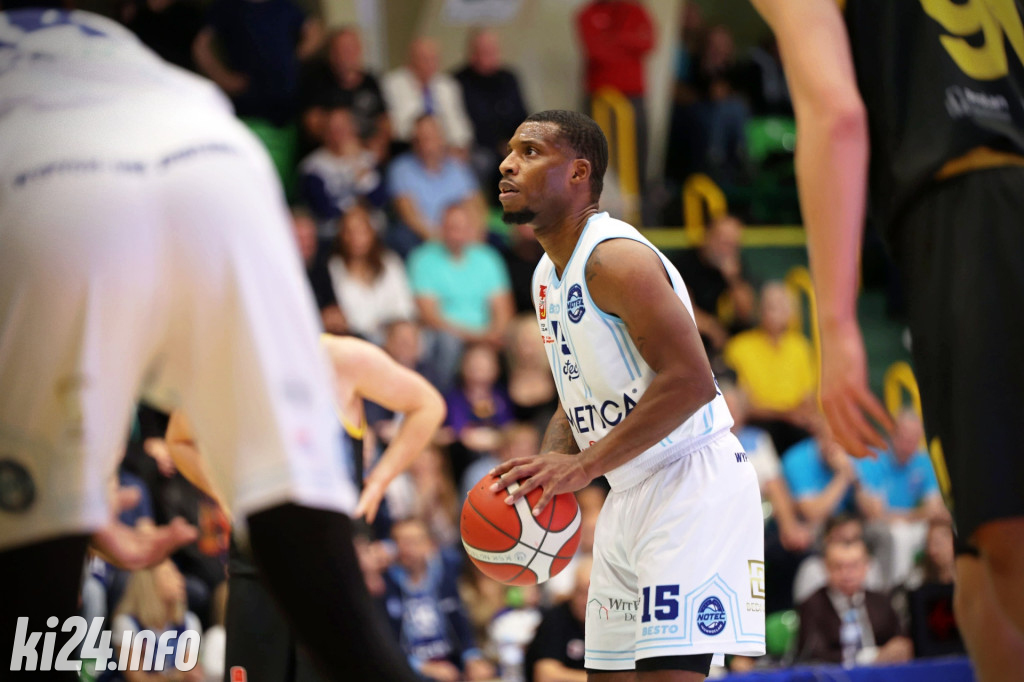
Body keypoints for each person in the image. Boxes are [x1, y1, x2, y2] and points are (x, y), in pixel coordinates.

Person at [0, 11, 421, 681]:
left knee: (30, 620)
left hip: (45, 177)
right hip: (214, 148)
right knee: (330, 603)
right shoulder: (115, 46)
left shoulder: (347, 356)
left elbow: (424, 404)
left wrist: (70, 496)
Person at [752, 2, 1024, 679]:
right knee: (976, 572)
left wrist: (836, 323)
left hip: (972, 208)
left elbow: (837, 114)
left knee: (1005, 538)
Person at [492, 110, 764, 680]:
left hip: (690, 481)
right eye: (510, 151)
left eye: (530, 152)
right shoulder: (545, 276)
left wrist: (582, 466)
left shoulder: (616, 258)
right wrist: (549, 472)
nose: (508, 164)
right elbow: (576, 393)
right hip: (625, 489)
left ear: (578, 173)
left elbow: (692, 382)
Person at [165, 333, 447, 681]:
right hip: (256, 562)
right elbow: (179, 439)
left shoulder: (342, 358)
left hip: (329, 568)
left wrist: (378, 481)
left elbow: (428, 405)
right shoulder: (226, 365)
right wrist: (225, 494)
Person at [408, 202, 515, 388]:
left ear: (472, 229)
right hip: (447, 335)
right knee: (447, 342)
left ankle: (508, 401)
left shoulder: (488, 258)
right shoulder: (423, 259)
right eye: (452, 227)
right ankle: (443, 395)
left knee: (522, 338)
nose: (457, 234)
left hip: (486, 335)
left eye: (463, 227)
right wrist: (478, 337)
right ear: (441, 228)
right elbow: (430, 317)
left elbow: (503, 310)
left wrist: (495, 334)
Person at [382, 518, 496, 682]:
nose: (407, 549)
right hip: (407, 670)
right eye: (401, 542)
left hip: (451, 664)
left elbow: (460, 623)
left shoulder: (444, 577)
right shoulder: (384, 585)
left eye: (414, 541)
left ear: (430, 544)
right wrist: (421, 667)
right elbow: (386, 643)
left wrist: (472, 658)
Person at [724, 281, 820, 454]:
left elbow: (808, 397)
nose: (775, 312)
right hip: (759, 423)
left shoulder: (801, 347)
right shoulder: (738, 347)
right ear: (759, 310)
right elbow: (743, 405)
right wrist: (785, 414)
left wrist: (799, 415)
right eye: (770, 306)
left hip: (795, 424)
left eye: (781, 306)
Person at [796, 539, 912, 666]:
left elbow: (900, 639)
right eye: (838, 566)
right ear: (826, 568)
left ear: (866, 566)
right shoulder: (813, 606)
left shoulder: (880, 601)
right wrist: (868, 659)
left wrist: (898, 649)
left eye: (854, 566)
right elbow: (813, 656)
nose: (846, 573)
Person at [386, 114, 485, 256]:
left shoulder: (457, 166)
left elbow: (475, 204)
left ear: (442, 138)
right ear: (414, 141)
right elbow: (410, 216)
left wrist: (475, 236)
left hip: (460, 234)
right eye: (422, 137)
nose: (427, 143)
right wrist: (445, 243)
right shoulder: (401, 168)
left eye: (432, 136)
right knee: (402, 236)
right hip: (424, 237)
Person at [453, 28, 529, 202]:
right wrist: (499, 145)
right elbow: (464, 125)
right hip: (479, 147)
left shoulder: (509, 77)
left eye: (493, 50)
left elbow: (523, 116)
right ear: (472, 53)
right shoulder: (458, 81)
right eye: (484, 51)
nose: (490, 56)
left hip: (512, 144)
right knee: (483, 162)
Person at [324, 206, 415, 344]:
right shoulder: (333, 268)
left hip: (393, 334)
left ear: (372, 233)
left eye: (361, 231)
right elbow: (340, 316)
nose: (355, 238)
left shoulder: (390, 262)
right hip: (355, 338)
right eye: (349, 232)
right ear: (341, 235)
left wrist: (391, 328)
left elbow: (405, 307)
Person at [382, 37, 474, 152]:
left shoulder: (448, 86)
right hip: (409, 148)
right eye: (424, 59)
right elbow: (398, 128)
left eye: (433, 59)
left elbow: (458, 125)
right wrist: (429, 139)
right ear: (411, 60)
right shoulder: (393, 84)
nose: (430, 64)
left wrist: (459, 146)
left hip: (446, 150)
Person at [524, 556, 593, 682]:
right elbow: (546, 675)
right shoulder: (556, 619)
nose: (586, 601)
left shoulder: (617, 621)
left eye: (593, 594)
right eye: (581, 592)